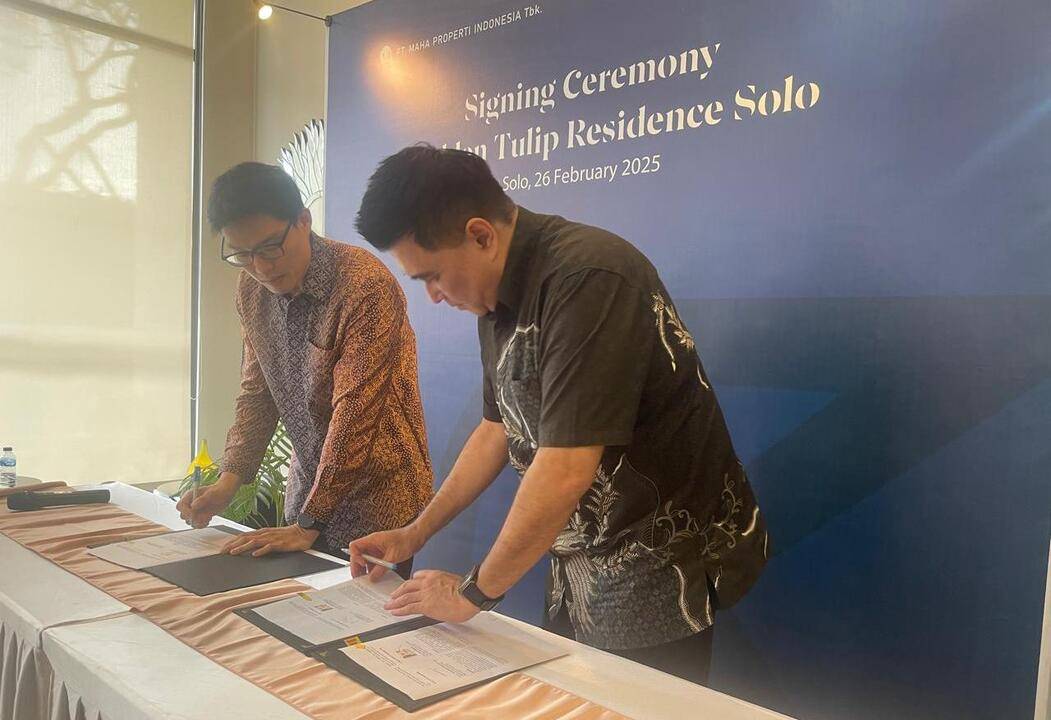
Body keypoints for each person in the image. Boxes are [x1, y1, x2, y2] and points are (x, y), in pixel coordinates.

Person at [348, 145, 768, 683]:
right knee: (578, 695)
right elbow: (496, 428)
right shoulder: (492, 297)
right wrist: (415, 533)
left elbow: (567, 466)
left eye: (431, 276)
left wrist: (472, 593)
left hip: (657, 560)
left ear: (480, 235)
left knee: (632, 704)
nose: (432, 296)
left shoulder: (589, 277)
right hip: (578, 559)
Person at [177, 162, 432, 570]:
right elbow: (258, 393)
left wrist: (310, 522)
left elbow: (356, 414)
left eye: (269, 248)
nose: (261, 267)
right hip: (306, 497)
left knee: (361, 612)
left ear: (303, 221)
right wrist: (228, 482)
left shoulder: (363, 285)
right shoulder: (252, 291)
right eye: (242, 254)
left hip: (379, 502)